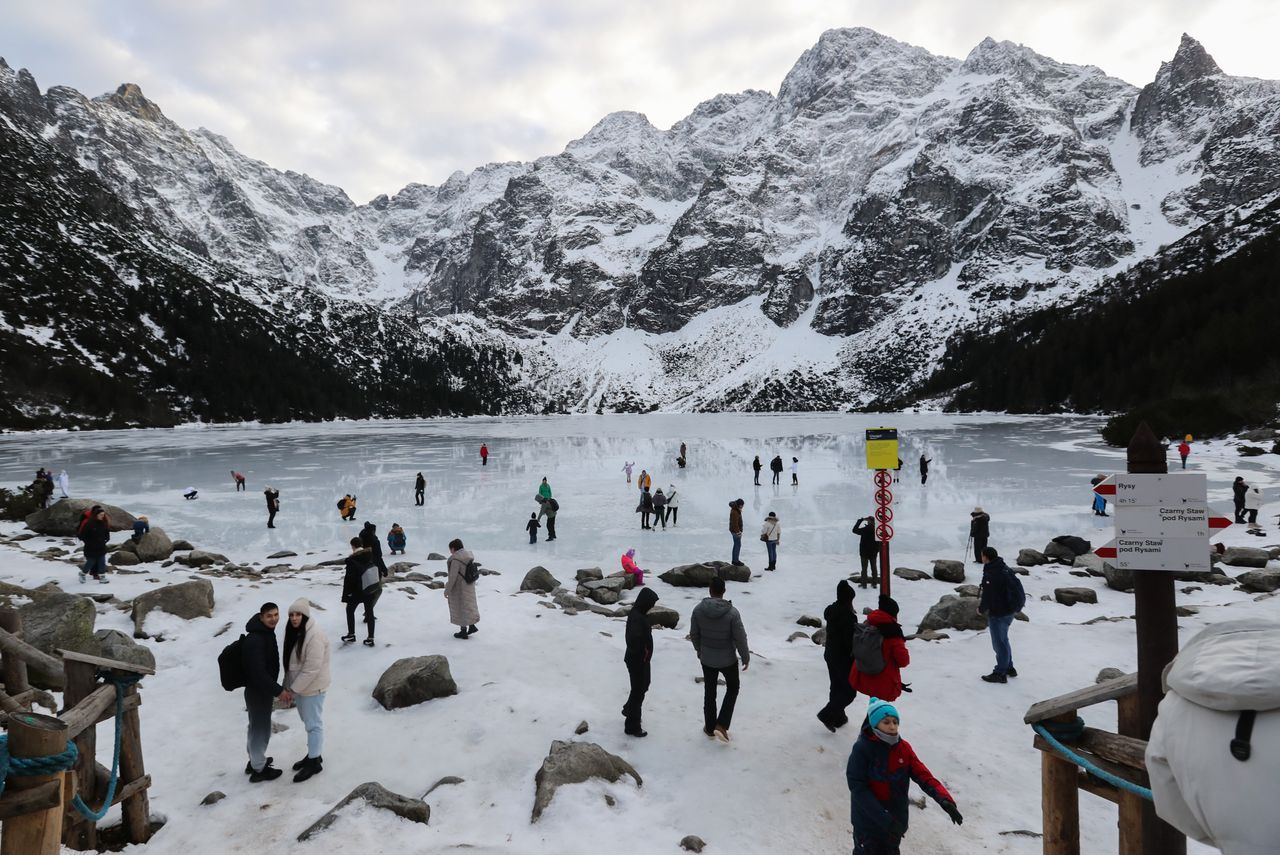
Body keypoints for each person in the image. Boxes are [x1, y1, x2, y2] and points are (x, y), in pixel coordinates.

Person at [846, 699, 962, 854]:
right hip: (868, 823)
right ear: (874, 724)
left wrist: (945, 800)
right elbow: (858, 787)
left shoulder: (903, 748)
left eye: (895, 722)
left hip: (895, 823)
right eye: (886, 722)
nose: (892, 726)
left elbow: (922, 775)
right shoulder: (863, 748)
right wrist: (884, 819)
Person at [690, 577, 750, 742]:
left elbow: (694, 634)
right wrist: (745, 657)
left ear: (710, 590)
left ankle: (710, 728)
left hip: (707, 659)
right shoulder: (732, 613)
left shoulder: (698, 610)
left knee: (710, 692)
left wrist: (699, 650)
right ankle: (721, 725)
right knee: (733, 687)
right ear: (724, 591)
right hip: (728, 659)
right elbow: (740, 638)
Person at [242, 602, 291, 782]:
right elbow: (258, 673)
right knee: (261, 729)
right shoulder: (256, 639)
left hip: (259, 690)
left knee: (256, 727)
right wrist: (279, 691)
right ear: (261, 617)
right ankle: (259, 769)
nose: (273, 619)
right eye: (269, 616)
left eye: (276, 614)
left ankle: (255, 761)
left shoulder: (264, 634)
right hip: (258, 691)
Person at [282, 597, 329, 783]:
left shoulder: (314, 635)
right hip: (301, 688)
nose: (294, 618)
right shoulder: (297, 632)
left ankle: (314, 762)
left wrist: (291, 690)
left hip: (313, 688)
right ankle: (313, 754)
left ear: (305, 615)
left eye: (298, 614)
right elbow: (292, 664)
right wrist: (288, 685)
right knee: (308, 721)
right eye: (291, 615)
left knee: (313, 724)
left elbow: (311, 669)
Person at [848, 595, 909, 702]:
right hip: (882, 680)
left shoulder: (868, 623)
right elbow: (903, 661)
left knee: (875, 709)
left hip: (863, 675)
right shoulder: (893, 633)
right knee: (880, 712)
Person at [817, 581, 857, 732]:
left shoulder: (832, 611)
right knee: (849, 691)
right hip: (843, 658)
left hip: (830, 654)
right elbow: (849, 643)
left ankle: (838, 717)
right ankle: (827, 714)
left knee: (836, 686)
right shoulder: (847, 617)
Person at [978, 547, 1020, 683]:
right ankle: (1009, 667)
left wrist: (981, 608)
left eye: (982, 555)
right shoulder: (1002, 567)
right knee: (1004, 639)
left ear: (986, 557)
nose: (981, 558)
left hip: (1000, 612)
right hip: (1010, 611)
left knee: (999, 643)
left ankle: (1000, 673)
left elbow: (989, 595)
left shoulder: (992, 573)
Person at [623, 587, 659, 737]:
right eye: (651, 603)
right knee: (638, 691)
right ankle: (632, 726)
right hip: (637, 661)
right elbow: (633, 640)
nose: (652, 606)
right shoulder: (638, 617)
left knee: (643, 686)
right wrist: (643, 654)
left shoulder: (638, 613)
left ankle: (628, 709)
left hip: (640, 660)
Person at [340, 537, 380, 647]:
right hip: (369, 588)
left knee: (349, 610)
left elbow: (349, 579)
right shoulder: (370, 555)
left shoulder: (352, 560)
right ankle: (370, 638)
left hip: (357, 591)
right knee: (369, 612)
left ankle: (351, 634)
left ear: (353, 546)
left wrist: (347, 594)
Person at [445, 538, 480, 639]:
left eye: (450, 549)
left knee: (460, 607)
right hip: (469, 585)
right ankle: (472, 626)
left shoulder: (456, 560)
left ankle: (463, 632)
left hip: (459, 588)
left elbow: (452, 577)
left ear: (453, 548)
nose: (450, 551)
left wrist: (447, 590)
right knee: (468, 606)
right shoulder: (468, 556)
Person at [78, 505, 111, 584]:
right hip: (91, 547)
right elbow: (82, 535)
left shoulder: (103, 523)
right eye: (101, 515)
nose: (103, 517)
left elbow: (106, 532)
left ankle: (102, 577)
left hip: (101, 546)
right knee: (91, 562)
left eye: (103, 515)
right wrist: (89, 542)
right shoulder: (89, 524)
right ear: (96, 515)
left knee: (102, 561)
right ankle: (82, 574)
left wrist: (106, 538)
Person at [852, 516, 879, 588]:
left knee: (864, 569)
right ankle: (874, 583)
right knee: (874, 568)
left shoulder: (865, 529)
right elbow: (879, 542)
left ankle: (864, 584)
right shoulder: (877, 530)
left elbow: (854, 530)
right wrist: (877, 550)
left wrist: (860, 521)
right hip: (873, 552)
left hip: (864, 552)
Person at [728, 498, 744, 566]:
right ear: (739, 505)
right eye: (742, 505)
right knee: (737, 545)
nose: (743, 507)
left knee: (736, 545)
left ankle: (735, 559)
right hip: (735, 531)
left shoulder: (736, 510)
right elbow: (735, 524)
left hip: (735, 531)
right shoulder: (735, 512)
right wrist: (738, 532)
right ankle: (735, 560)